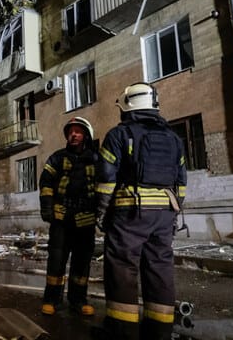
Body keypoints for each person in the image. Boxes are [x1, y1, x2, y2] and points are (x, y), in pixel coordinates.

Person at [93, 82, 187, 339]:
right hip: (165, 213)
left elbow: (106, 178)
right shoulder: (174, 138)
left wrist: (101, 211)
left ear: (127, 105)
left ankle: (122, 331)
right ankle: (159, 330)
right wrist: (173, 213)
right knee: (159, 267)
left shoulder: (119, 134)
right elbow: (181, 180)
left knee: (123, 267)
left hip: (130, 213)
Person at [39, 116, 99, 316]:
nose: (73, 135)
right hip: (61, 219)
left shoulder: (96, 159)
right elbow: (46, 183)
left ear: (86, 135)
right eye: (70, 131)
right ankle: (52, 300)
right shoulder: (57, 157)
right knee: (56, 261)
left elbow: (104, 187)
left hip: (86, 220)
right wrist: (47, 208)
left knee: (81, 264)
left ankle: (78, 301)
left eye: (78, 131)